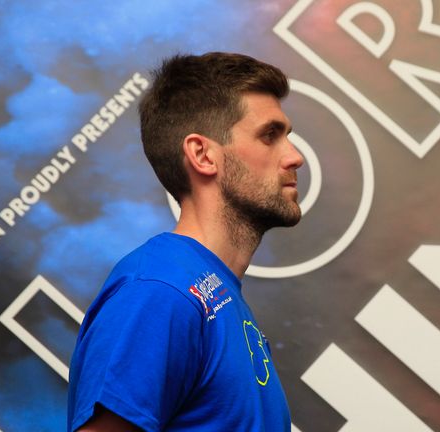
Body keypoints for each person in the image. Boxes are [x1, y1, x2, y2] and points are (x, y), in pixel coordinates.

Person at [67, 52, 304, 431]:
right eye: (269, 136)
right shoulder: (161, 293)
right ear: (202, 155)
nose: (295, 157)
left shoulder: (210, 289)